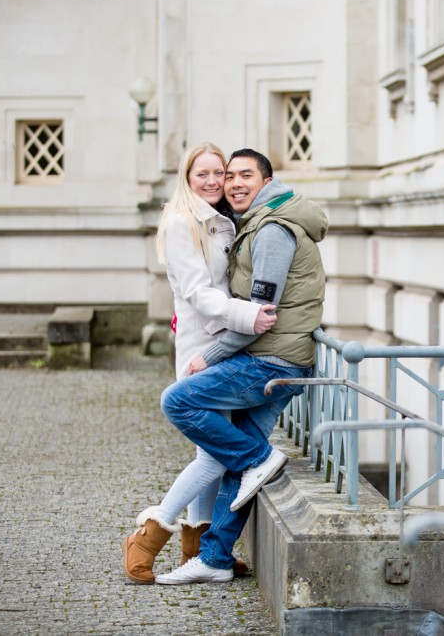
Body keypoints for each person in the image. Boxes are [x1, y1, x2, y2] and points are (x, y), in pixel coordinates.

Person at [154, 148, 327, 585]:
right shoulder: (251, 222)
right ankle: (214, 558)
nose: (231, 183)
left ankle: (260, 458)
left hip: (272, 360)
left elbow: (259, 313)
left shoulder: (270, 231)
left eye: (243, 175)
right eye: (227, 175)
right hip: (281, 358)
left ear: (267, 180)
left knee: (177, 401)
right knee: (239, 466)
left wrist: (207, 357)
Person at [121, 142, 278, 584]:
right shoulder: (181, 223)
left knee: (210, 451)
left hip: (224, 346)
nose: (214, 181)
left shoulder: (223, 221)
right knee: (213, 455)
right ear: (187, 179)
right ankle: (148, 537)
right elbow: (197, 293)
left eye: (220, 174)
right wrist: (248, 316)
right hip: (202, 351)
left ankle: (203, 551)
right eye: (203, 174)